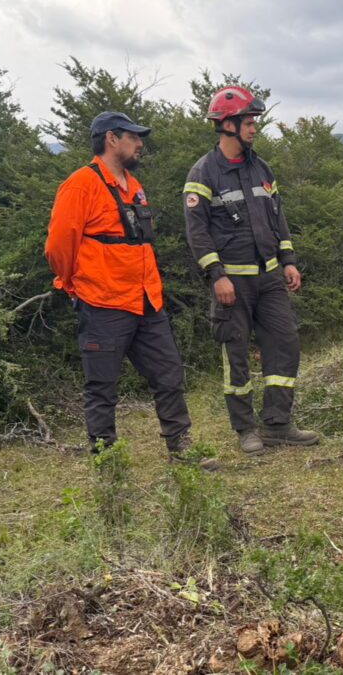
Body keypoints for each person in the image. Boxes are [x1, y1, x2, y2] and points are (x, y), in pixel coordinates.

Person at [46, 111, 217, 470]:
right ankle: (108, 463)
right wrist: (73, 285)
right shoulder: (81, 184)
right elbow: (59, 246)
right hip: (103, 301)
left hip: (146, 299)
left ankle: (182, 449)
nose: (140, 144)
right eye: (133, 137)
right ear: (112, 139)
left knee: (168, 374)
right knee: (102, 385)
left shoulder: (134, 186)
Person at [183, 86, 319, 454]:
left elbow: (279, 217)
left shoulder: (262, 168)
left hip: (270, 279)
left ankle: (278, 424)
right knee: (236, 354)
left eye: (254, 121)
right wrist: (217, 275)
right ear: (227, 124)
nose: (254, 128)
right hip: (232, 284)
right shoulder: (203, 173)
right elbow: (197, 232)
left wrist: (288, 260)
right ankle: (246, 429)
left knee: (285, 344)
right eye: (248, 121)